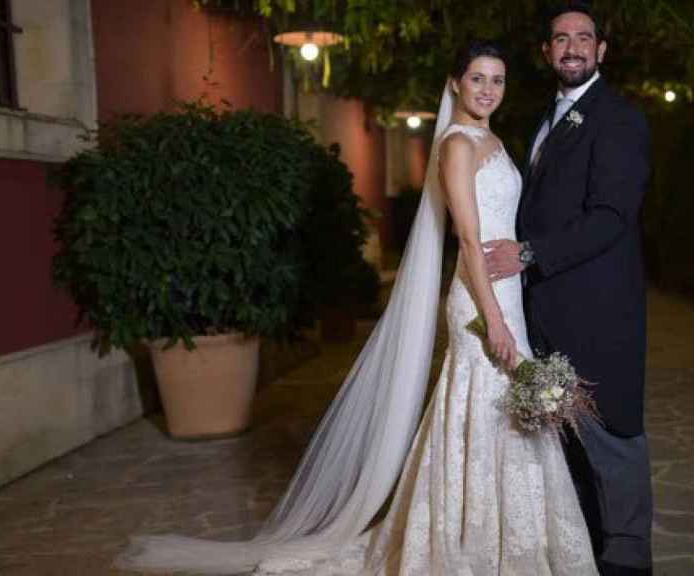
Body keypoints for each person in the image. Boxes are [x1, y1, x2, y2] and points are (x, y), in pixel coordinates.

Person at [117, 40, 598, 576]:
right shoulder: (458, 145)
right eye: (478, 78)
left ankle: (517, 542)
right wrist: (496, 321)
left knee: (509, 413)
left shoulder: (492, 140)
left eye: (498, 80)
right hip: (482, 299)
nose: (488, 90)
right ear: (456, 82)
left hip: (505, 292)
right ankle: (472, 546)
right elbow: (467, 238)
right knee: (482, 408)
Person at [483, 4, 654, 575]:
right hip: (548, 312)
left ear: (602, 51)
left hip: (599, 315)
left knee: (614, 441)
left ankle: (629, 561)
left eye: (584, 38)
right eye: (561, 38)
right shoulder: (545, 116)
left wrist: (527, 255)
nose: (573, 47)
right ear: (546, 51)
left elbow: (610, 216)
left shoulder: (619, 119)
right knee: (570, 451)